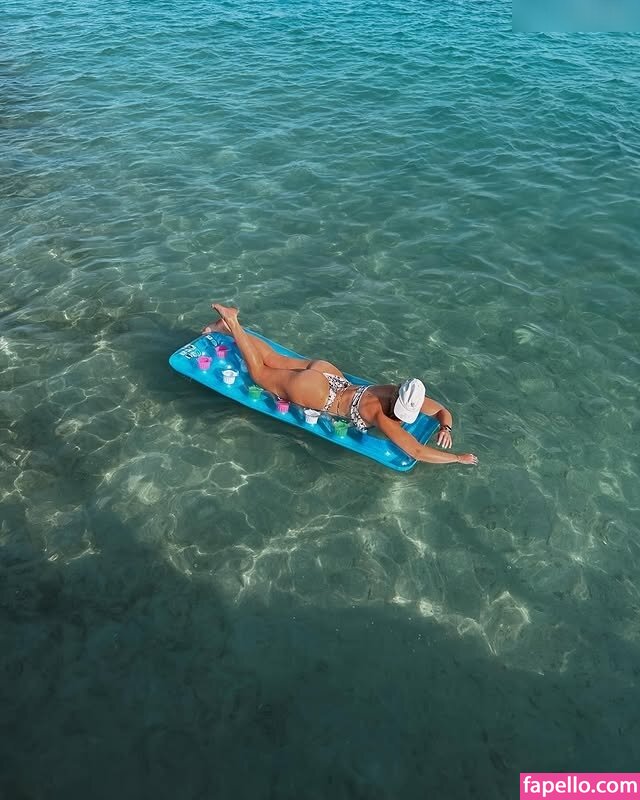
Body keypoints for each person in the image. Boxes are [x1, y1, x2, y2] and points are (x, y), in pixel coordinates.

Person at [203, 304, 478, 466]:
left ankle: (224, 328)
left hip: (331, 375)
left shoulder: (396, 390)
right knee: (260, 374)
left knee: (274, 359)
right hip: (319, 394)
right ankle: (233, 322)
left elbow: (441, 410)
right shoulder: (382, 417)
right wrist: (457, 458)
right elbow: (416, 450)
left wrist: (445, 427)